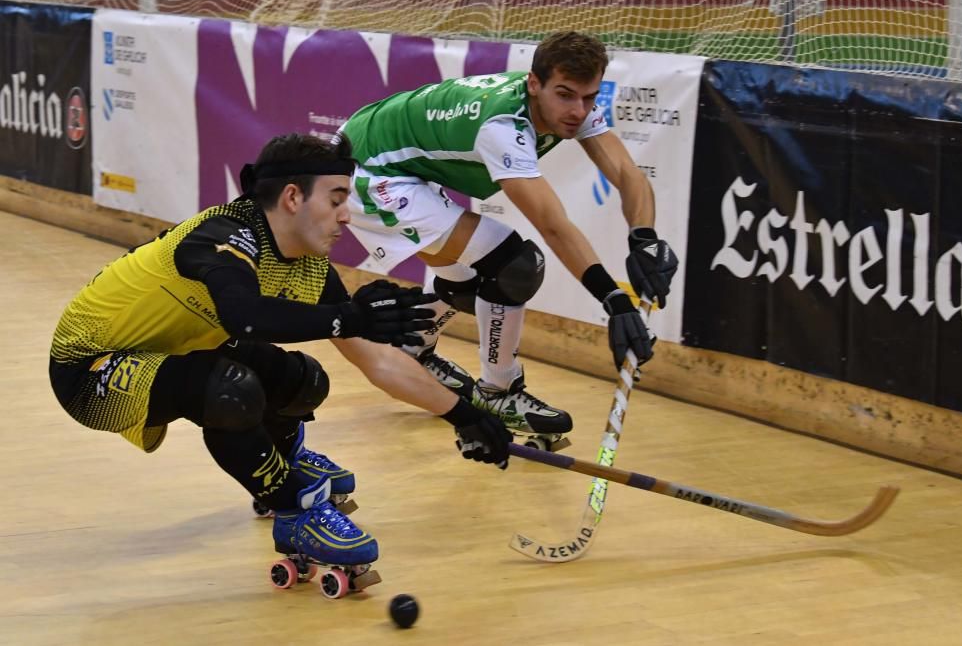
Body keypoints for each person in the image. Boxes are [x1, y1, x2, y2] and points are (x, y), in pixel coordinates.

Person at [49, 132, 513, 582]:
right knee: (230, 390)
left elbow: (380, 362)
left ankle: (282, 458)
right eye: (335, 199)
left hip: (174, 350)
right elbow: (245, 319)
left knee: (304, 381)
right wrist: (347, 318)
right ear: (293, 197)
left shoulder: (309, 264)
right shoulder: (223, 234)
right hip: (90, 369)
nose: (346, 216)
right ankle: (295, 507)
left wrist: (464, 414)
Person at [340, 31, 678, 445]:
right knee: (514, 264)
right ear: (534, 84)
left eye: (589, 98)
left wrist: (643, 238)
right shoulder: (502, 126)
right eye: (566, 95)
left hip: (390, 155)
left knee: (469, 283)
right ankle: (499, 392)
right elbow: (552, 225)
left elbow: (628, 174)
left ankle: (414, 347)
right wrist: (614, 299)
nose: (578, 111)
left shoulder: (570, 103)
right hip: (368, 171)